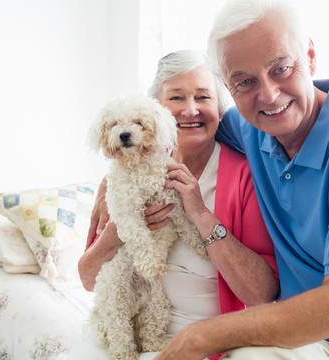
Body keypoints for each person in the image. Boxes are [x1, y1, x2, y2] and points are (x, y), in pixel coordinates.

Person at [140, 0, 329, 359]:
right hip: (300, 331)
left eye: (281, 68)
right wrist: (122, 175)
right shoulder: (248, 127)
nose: (269, 95)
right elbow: (188, 128)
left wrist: (203, 336)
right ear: (230, 87)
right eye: (245, 81)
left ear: (310, 56)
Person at [71, 49, 279, 359]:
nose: (190, 110)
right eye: (177, 98)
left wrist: (200, 215)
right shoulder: (124, 174)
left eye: (203, 97)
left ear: (221, 110)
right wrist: (116, 234)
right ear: (156, 109)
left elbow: (263, 294)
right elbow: (88, 280)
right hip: (141, 336)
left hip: (213, 340)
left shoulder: (246, 177)